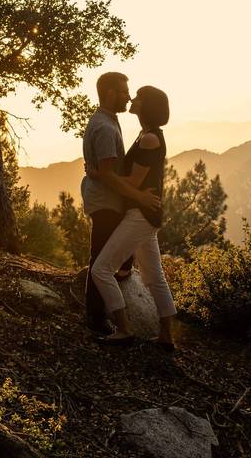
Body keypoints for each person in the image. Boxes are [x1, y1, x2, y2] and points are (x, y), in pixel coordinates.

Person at [90, 85, 176, 349]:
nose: (132, 99)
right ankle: (166, 337)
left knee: (101, 269)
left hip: (140, 215)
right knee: (154, 276)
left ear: (147, 105)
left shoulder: (150, 139)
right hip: (145, 215)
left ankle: (124, 329)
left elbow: (134, 182)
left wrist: (98, 174)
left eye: (138, 97)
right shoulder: (146, 134)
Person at [81, 72, 159, 335]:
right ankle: (96, 317)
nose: (128, 96)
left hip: (108, 200)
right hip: (105, 201)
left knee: (109, 258)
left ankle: (105, 311)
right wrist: (140, 197)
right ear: (111, 93)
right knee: (100, 259)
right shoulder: (104, 127)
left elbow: (104, 172)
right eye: (125, 91)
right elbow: (107, 175)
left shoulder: (109, 121)